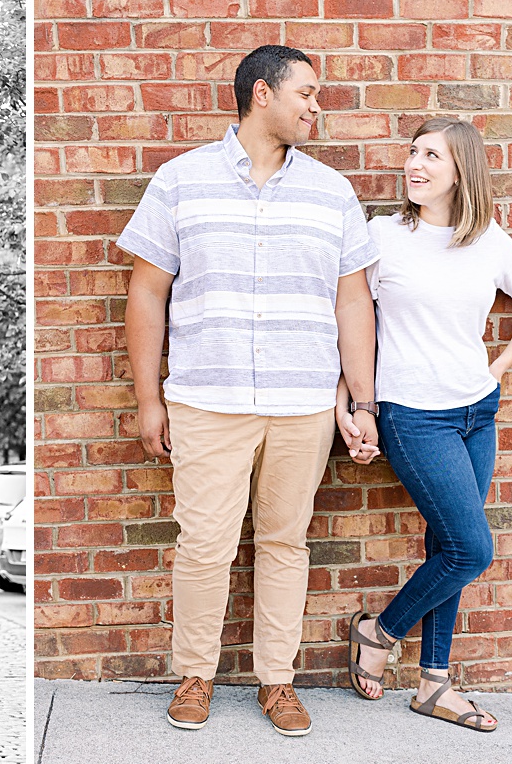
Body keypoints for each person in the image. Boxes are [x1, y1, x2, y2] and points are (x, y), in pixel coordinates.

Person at [117, 44, 380, 736]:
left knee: (285, 543)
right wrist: (150, 399)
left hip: (301, 405)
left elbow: (353, 302)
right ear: (262, 93)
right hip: (208, 397)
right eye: (308, 94)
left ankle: (278, 682)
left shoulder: (331, 192)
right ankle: (195, 675)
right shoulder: (181, 181)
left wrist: (362, 399)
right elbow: (146, 293)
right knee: (203, 544)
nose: (316, 107)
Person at [339, 118, 512, 732]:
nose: (416, 164)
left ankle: (435, 683)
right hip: (413, 415)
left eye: (432, 155)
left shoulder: (486, 239)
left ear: (461, 171)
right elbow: (353, 325)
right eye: (413, 152)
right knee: (470, 548)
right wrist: (353, 404)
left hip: (476, 411)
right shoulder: (382, 236)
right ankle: (378, 633)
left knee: (447, 545)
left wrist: (497, 369)